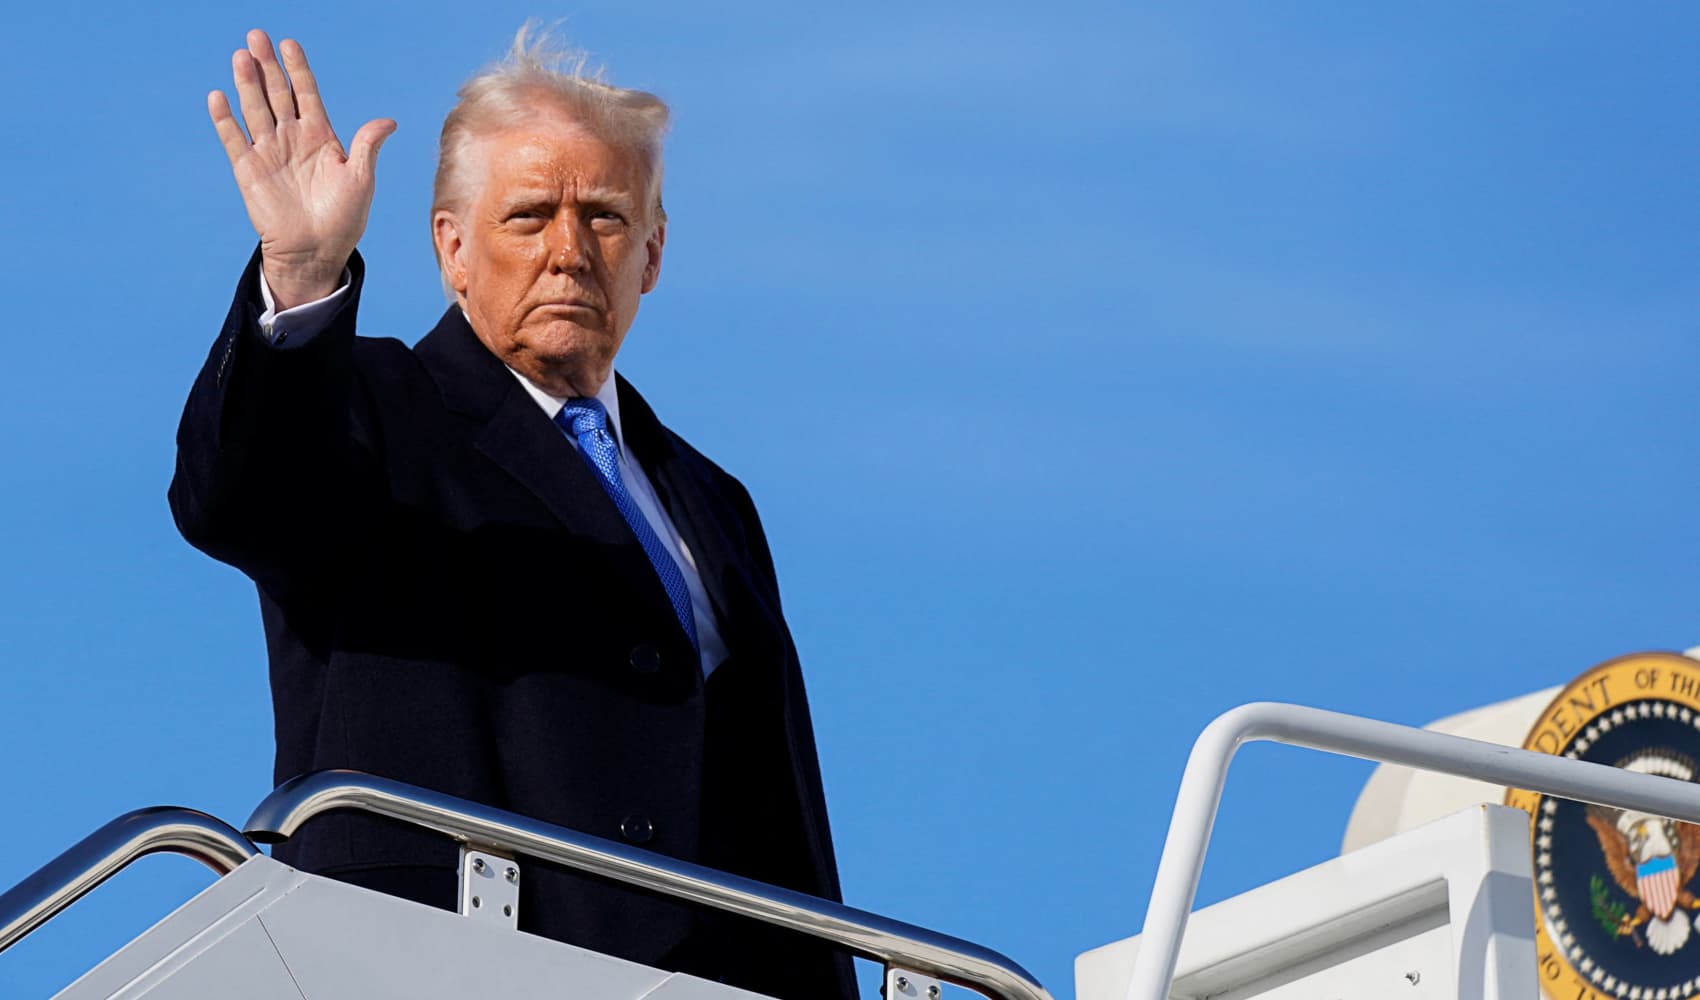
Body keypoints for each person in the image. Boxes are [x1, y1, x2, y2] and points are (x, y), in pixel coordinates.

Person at [169, 27, 855, 999]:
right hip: (443, 965)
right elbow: (236, 498)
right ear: (451, 246)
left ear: (653, 253)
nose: (569, 251)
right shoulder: (372, 410)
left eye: (606, 218)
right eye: (529, 215)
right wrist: (304, 280)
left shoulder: (713, 501)